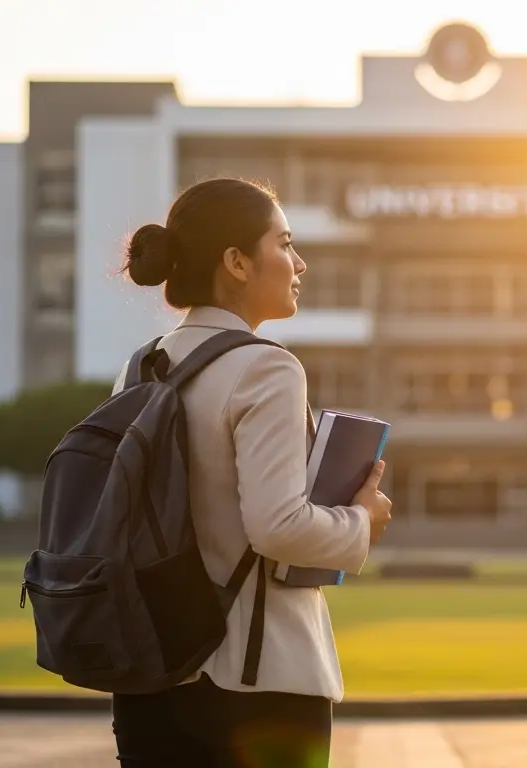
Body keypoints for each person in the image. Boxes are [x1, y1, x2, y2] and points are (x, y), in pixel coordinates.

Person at [108, 177, 394, 767]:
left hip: (150, 676)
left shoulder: (140, 367)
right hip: (259, 685)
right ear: (236, 262)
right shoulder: (267, 370)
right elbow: (278, 527)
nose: (299, 263)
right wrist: (361, 520)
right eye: (285, 244)